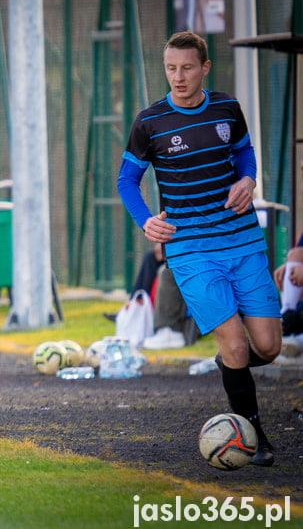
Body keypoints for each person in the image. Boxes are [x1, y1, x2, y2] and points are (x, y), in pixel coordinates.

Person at [117, 31, 281, 466]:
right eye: (171, 68)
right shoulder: (149, 122)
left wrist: (248, 180)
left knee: (268, 348)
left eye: (187, 68)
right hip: (191, 248)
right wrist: (146, 219)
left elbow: (245, 155)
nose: (178, 77)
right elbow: (126, 181)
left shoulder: (227, 108)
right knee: (237, 345)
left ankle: (232, 363)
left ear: (204, 67)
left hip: (243, 240)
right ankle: (253, 436)